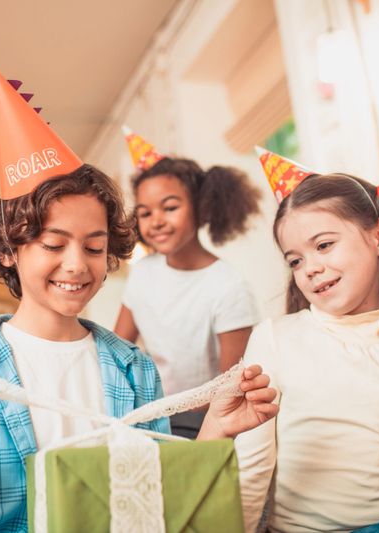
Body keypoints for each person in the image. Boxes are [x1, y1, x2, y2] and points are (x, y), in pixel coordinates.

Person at [0, 67, 279, 532]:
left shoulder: (133, 369)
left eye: (94, 247)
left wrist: (214, 427)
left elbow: (158, 503)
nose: (78, 265)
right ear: (9, 251)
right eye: (54, 245)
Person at [235, 148, 379, 532]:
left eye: (324, 245)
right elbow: (252, 466)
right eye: (295, 260)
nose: (311, 268)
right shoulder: (276, 338)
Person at [115, 127, 261, 437]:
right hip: (148, 415)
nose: (156, 221)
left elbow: (231, 384)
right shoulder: (142, 272)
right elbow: (117, 351)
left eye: (170, 208)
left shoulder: (228, 285)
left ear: (200, 206)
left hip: (205, 423)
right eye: (145, 212)